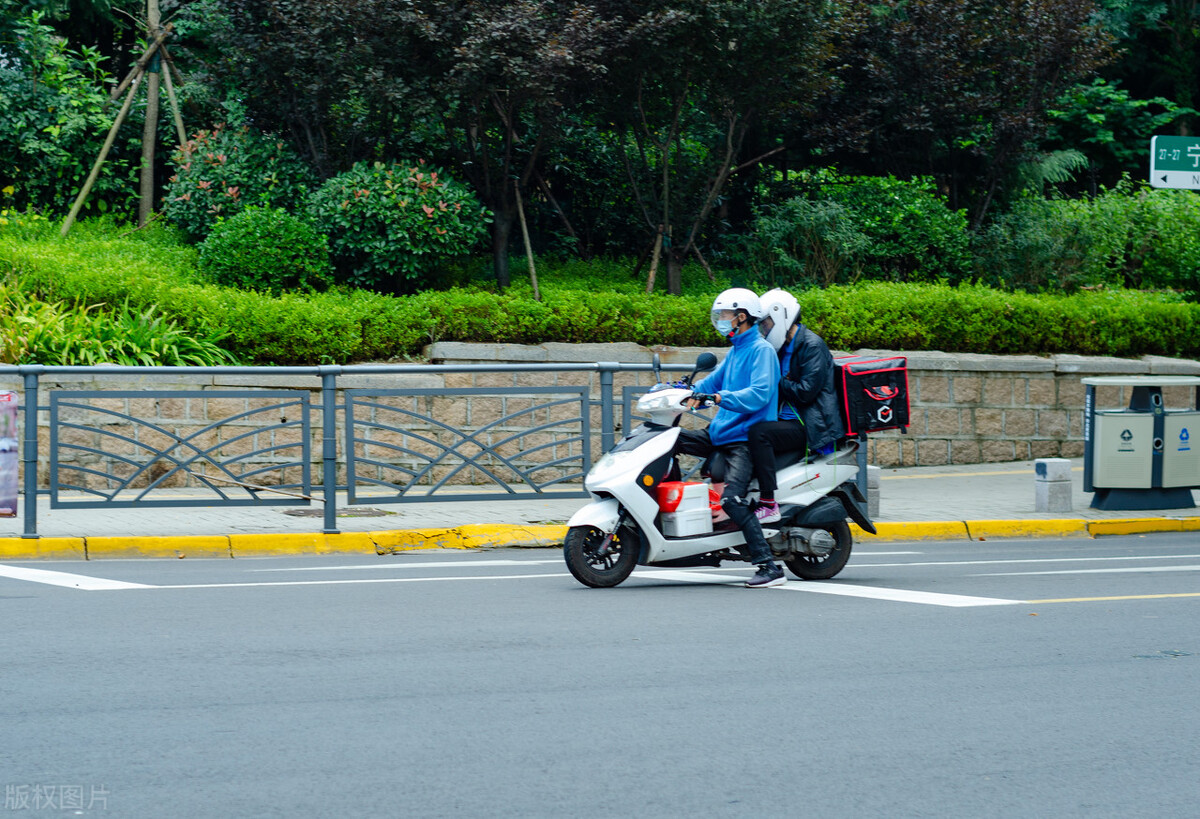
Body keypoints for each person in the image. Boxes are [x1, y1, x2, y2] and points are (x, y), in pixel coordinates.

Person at [677, 288, 786, 588]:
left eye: (724, 315)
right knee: (669, 439)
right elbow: (712, 381)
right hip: (720, 433)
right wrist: (684, 388)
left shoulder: (761, 351)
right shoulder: (736, 349)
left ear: (741, 317)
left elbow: (760, 394)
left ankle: (769, 565)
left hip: (743, 440)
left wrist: (718, 398)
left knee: (732, 500)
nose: (721, 320)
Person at [747, 288, 845, 524]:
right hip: (787, 419)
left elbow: (805, 392)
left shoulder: (812, 346)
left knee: (759, 434)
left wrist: (777, 380)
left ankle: (769, 503)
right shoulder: (781, 347)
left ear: (782, 316)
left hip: (810, 425)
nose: (764, 330)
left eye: (767, 323)